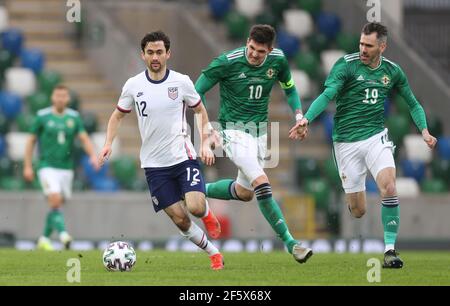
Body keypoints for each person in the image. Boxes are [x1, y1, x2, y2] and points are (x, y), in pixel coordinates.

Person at [294, 22, 437, 268]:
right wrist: (306, 118)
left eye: (368, 45)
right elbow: (328, 95)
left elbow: (412, 103)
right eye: (361, 43)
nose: (362, 48)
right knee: (358, 210)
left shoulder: (392, 71)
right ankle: (354, 200)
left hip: (375, 137)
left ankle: (390, 250)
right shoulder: (346, 65)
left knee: (389, 187)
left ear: (382, 46)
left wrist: (423, 130)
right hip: (346, 142)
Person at [98, 31, 224, 270]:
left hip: (182, 156)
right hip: (154, 165)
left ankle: (207, 214)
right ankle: (213, 253)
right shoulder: (133, 85)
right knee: (180, 218)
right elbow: (116, 116)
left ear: (168, 54)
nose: (155, 57)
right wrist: (107, 144)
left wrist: (205, 142)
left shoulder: (182, 82)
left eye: (159, 52)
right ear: (142, 55)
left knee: (195, 206)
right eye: (150, 52)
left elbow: (199, 110)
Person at [195, 24, 313, 264]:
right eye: (251, 48)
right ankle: (292, 243)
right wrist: (207, 130)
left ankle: (194, 189)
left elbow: (290, 90)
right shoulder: (227, 62)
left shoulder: (278, 61)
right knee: (262, 182)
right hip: (232, 132)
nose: (254, 54)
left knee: (245, 192)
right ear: (247, 41)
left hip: (259, 134)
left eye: (260, 51)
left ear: (270, 50)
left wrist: (300, 116)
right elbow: (195, 92)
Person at [23, 85, 99, 251]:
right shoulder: (42, 116)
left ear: (68, 99)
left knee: (55, 205)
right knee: (55, 199)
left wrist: (93, 156)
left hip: (66, 168)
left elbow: (84, 138)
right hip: (46, 166)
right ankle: (64, 235)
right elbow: (30, 141)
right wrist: (28, 166)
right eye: (58, 96)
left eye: (63, 96)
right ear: (52, 97)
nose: (60, 99)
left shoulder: (74, 117)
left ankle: (43, 239)